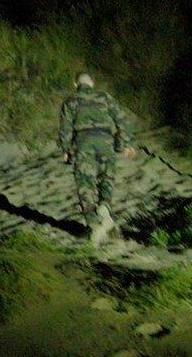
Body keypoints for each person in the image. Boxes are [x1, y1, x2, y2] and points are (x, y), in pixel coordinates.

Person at [59, 73, 137, 244]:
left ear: (75, 84)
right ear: (92, 83)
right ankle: (105, 207)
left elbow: (66, 128)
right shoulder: (105, 97)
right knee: (106, 178)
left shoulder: (70, 102)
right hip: (105, 142)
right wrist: (126, 144)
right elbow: (122, 120)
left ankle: (94, 225)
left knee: (85, 184)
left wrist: (66, 150)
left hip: (84, 144)